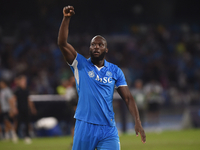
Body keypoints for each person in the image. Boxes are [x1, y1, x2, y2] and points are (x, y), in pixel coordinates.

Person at [58, 6, 146, 150]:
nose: (96, 47)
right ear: (89, 48)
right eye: (93, 44)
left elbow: (128, 98)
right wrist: (66, 19)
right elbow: (62, 43)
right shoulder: (80, 64)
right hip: (85, 125)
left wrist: (137, 121)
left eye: (100, 45)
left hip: (108, 128)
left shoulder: (115, 71)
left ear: (106, 49)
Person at [13, 75, 37, 144]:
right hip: (19, 109)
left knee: (27, 123)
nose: (25, 82)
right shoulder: (17, 90)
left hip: (26, 109)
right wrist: (14, 108)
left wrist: (32, 108)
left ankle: (26, 136)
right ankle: (16, 135)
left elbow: (28, 100)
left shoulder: (26, 90)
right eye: (23, 81)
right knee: (18, 123)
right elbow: (14, 100)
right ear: (20, 82)